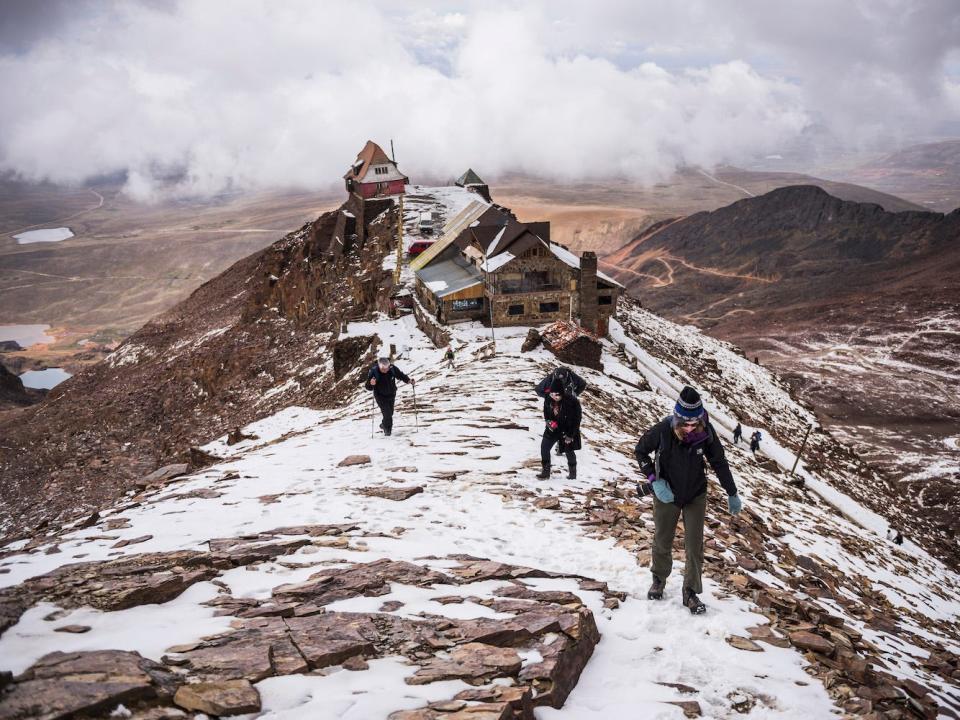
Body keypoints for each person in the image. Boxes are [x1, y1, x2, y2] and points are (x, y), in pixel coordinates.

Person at [635, 386, 742, 614]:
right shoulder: (663, 430)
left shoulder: (707, 433)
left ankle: (690, 592)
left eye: (695, 423)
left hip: (695, 494)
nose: (690, 428)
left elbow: (719, 462)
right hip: (667, 494)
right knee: (663, 539)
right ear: (677, 418)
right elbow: (640, 451)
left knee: (694, 545)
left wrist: (731, 492)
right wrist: (654, 480)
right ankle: (659, 579)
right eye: (685, 424)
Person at [536, 367, 587, 456]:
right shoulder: (550, 378)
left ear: (567, 376)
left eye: (563, 380)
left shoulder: (572, 376)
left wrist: (575, 394)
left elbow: (583, 384)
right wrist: (550, 397)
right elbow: (538, 390)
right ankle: (559, 445)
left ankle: (563, 446)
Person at [538, 384, 582, 480]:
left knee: (569, 451)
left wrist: (570, 435)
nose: (554, 397)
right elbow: (546, 413)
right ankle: (545, 472)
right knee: (544, 448)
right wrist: (548, 421)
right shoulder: (548, 399)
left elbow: (576, 420)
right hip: (553, 429)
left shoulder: (572, 402)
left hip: (567, 430)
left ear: (562, 393)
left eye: (557, 395)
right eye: (552, 394)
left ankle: (572, 474)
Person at [365, 356, 414, 437]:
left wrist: (408, 380)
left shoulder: (392, 369)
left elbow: (400, 375)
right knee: (387, 414)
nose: (385, 370)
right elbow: (368, 387)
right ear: (380, 366)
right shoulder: (374, 372)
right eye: (383, 369)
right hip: (380, 396)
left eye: (387, 368)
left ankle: (384, 424)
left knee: (390, 413)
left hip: (391, 394)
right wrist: (371, 383)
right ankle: (388, 431)